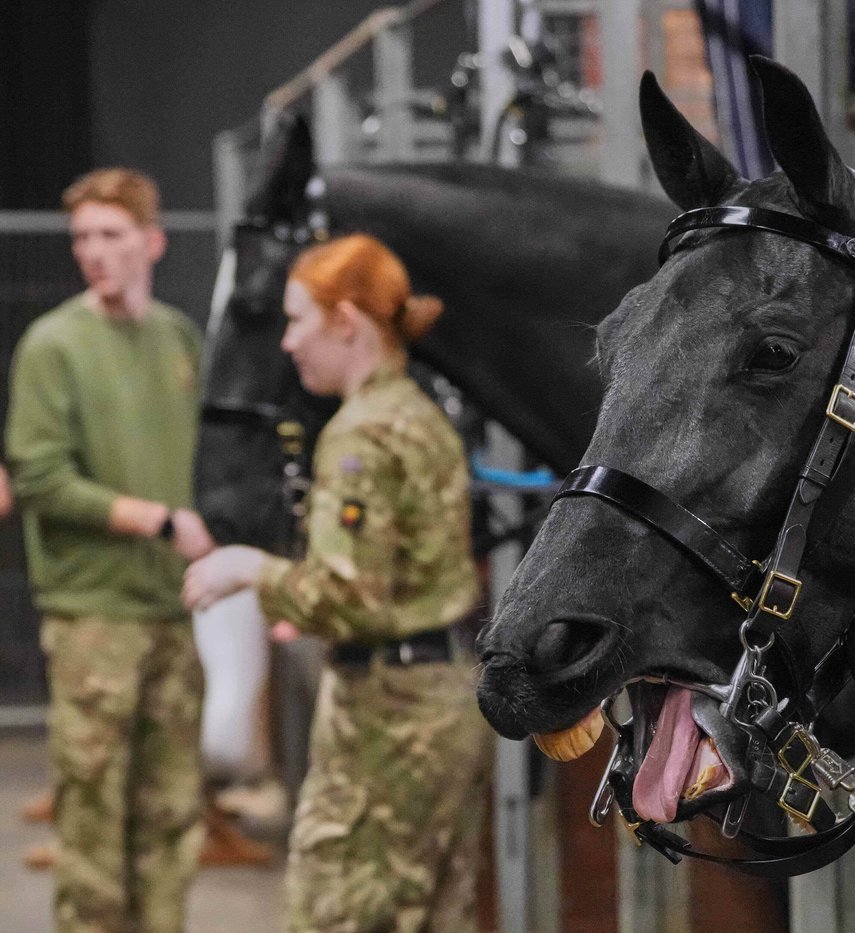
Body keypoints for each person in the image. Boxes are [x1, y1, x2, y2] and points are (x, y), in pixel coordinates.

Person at [183, 232, 494, 932]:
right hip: (443, 699)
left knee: (330, 914)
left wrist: (251, 567)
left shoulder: (360, 433)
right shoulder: (420, 414)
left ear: (346, 321)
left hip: (387, 717)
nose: (288, 342)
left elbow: (348, 595)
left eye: (298, 320)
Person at [6, 167, 216, 932]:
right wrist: (157, 518)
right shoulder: (54, 344)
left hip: (172, 609)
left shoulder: (177, 338)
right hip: (94, 617)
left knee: (170, 821)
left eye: (110, 235)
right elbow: (38, 475)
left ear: (151, 242)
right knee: (92, 834)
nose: (93, 251)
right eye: (82, 238)